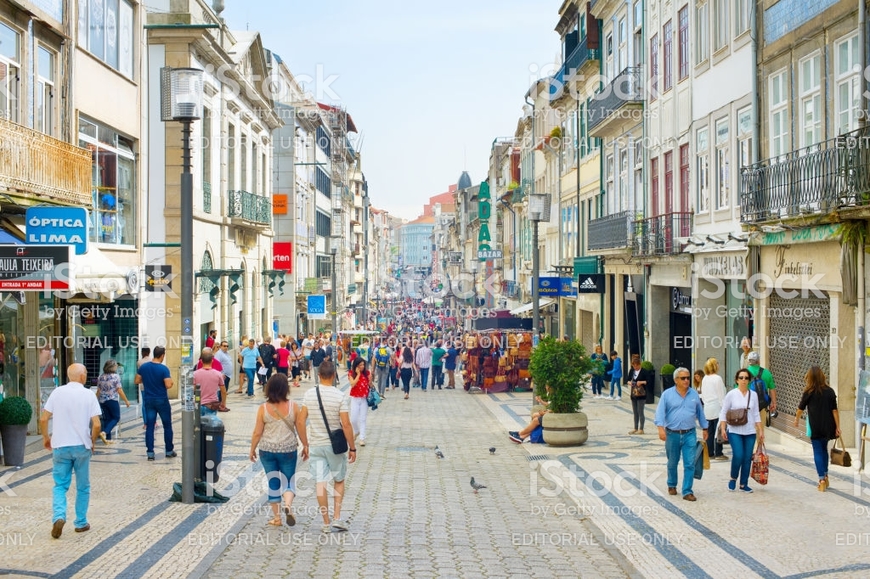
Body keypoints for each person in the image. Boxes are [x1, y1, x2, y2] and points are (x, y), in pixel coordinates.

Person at [40, 363, 102, 538]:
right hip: (81, 446)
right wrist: (93, 440)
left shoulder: (57, 392)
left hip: (60, 445)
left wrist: (46, 438)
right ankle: (81, 522)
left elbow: (44, 419)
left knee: (60, 485)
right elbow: (96, 424)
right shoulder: (88, 394)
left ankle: (59, 516)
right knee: (83, 486)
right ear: (82, 377)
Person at [297, 361, 356, 533]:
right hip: (334, 447)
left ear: (319, 375)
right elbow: (346, 424)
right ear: (333, 375)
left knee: (320, 483)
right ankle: (337, 517)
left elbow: (300, 421)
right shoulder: (339, 396)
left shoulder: (309, 394)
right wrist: (352, 447)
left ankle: (325, 522)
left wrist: (305, 443)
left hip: (316, 445)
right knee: (339, 480)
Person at [249, 373, 307, 527]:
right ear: (285, 389)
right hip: (288, 450)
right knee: (289, 480)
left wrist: (252, 449)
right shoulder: (293, 406)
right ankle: (287, 505)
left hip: (267, 451)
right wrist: (305, 445)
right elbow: (300, 427)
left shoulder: (263, 408)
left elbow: (257, 432)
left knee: (273, 482)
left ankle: (277, 518)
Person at [654, 367, 708, 502]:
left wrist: (705, 428)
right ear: (676, 380)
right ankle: (671, 484)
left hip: (690, 433)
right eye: (683, 378)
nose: (687, 380)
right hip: (672, 434)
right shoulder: (667, 395)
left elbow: (700, 412)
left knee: (690, 463)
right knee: (672, 462)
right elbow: (660, 412)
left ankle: (687, 491)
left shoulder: (694, 394)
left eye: (688, 378)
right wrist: (660, 429)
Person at [794, 366, 841, 492]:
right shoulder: (830, 391)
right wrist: (838, 426)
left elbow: (800, 408)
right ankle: (825, 475)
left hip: (815, 426)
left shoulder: (808, 392)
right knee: (824, 450)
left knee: (817, 451)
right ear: (822, 376)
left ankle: (821, 480)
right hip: (828, 426)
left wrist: (796, 420)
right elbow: (835, 411)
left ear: (810, 377)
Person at [718, 369, 763, 493]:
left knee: (747, 457)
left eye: (746, 378)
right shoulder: (731, 394)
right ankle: (733, 478)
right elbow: (724, 412)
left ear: (749, 380)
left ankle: (744, 484)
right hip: (734, 430)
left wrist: (760, 430)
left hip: (750, 431)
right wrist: (723, 428)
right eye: (741, 378)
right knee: (738, 455)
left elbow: (756, 413)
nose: (744, 380)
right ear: (737, 380)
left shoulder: (753, 394)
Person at [135, 346, 176, 461]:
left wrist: (148, 380)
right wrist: (171, 382)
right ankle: (168, 450)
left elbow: (136, 381)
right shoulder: (164, 369)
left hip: (149, 399)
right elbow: (168, 385)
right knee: (167, 425)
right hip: (161, 400)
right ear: (162, 355)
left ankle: (150, 452)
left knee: (150, 426)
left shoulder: (144, 367)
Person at [699, 358, 727, 461]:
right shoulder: (717, 378)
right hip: (716, 407)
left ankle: (710, 452)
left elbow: (704, 394)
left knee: (710, 431)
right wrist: (724, 407)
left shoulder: (705, 378)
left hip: (707, 408)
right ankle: (718, 453)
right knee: (718, 430)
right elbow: (721, 395)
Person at [96, 359, 130, 444]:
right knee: (116, 417)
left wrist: (95, 400)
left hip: (102, 401)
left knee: (107, 419)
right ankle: (104, 432)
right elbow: (119, 390)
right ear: (113, 367)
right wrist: (126, 400)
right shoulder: (115, 377)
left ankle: (108, 439)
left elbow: (99, 390)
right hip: (112, 400)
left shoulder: (100, 376)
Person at [745, 351, 777, 421]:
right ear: (758, 361)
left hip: (747, 405)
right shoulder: (766, 373)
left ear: (749, 361)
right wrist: (774, 403)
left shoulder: (744, 373)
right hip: (762, 406)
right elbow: (772, 389)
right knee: (760, 428)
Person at [194, 350, 228, 416]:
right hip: (212, 405)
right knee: (211, 425)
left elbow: (193, 389)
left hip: (198, 404)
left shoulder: (195, 374)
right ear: (212, 361)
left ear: (201, 361)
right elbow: (223, 391)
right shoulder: (218, 374)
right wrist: (223, 403)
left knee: (199, 424)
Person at [348, 357, 371, 447]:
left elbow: (370, 385)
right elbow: (352, 384)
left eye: (363, 365)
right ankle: (356, 431)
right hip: (355, 398)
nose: (362, 366)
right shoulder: (351, 373)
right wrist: (358, 374)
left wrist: (370, 380)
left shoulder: (367, 373)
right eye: (360, 365)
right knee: (353, 419)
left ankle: (362, 438)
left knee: (363, 419)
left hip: (364, 398)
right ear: (356, 366)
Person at [627, 355, 652, 434]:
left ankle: (641, 428)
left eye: (636, 366)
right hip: (634, 393)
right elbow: (627, 380)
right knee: (635, 412)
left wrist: (641, 382)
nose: (635, 367)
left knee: (640, 411)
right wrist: (630, 383)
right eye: (633, 366)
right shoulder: (632, 371)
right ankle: (635, 427)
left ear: (639, 364)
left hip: (641, 394)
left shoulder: (644, 371)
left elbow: (648, 381)